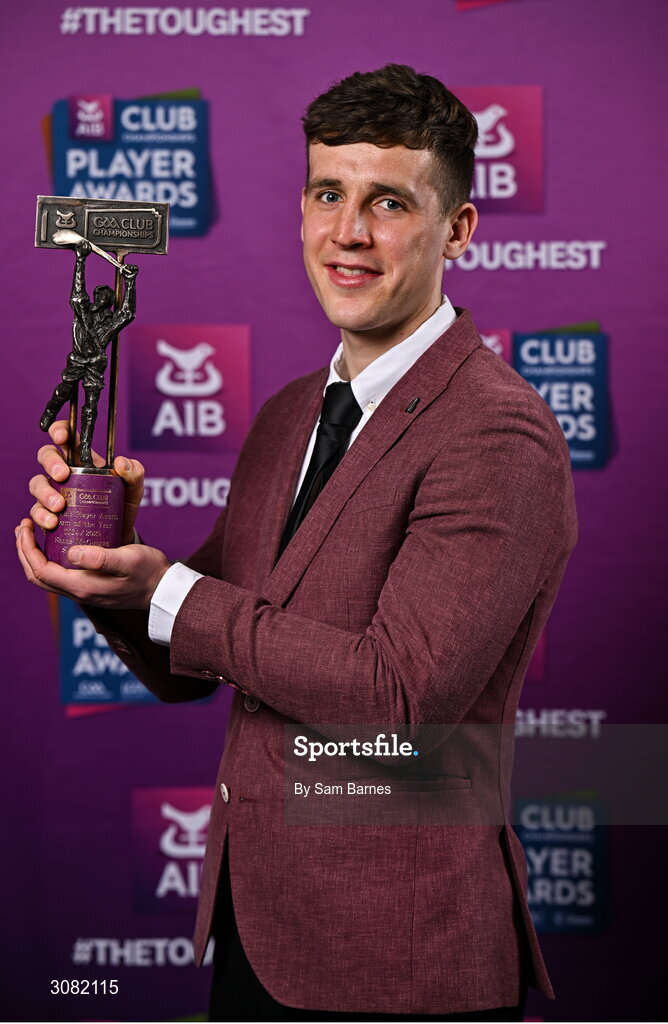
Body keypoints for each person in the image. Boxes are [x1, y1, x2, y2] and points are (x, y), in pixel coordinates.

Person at [18, 65, 577, 1021]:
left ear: (459, 229)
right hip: (256, 932)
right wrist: (107, 575)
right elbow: (196, 656)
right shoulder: (287, 416)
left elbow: (398, 697)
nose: (347, 232)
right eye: (328, 193)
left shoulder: (496, 433)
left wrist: (165, 590)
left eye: (388, 201)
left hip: (399, 966)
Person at [39, 239, 138, 466]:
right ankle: (49, 412)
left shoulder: (112, 320)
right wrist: (81, 259)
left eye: (109, 294)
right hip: (78, 360)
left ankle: (85, 449)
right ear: (95, 297)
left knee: (91, 408)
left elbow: (128, 313)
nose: (106, 295)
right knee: (63, 392)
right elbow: (77, 290)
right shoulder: (82, 310)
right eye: (101, 292)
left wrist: (130, 283)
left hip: (95, 364)